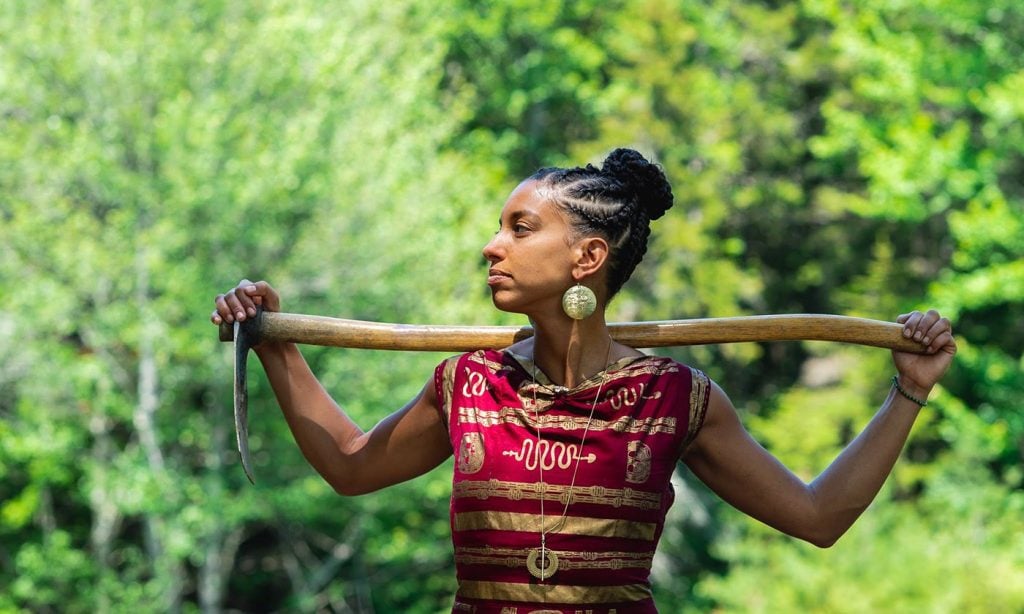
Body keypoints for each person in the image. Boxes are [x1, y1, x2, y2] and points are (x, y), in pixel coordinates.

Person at [211, 148, 956, 613]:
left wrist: (909, 391)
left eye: (520, 228)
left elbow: (818, 518)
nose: (490, 245)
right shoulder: (466, 384)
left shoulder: (676, 400)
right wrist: (275, 345)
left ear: (587, 259)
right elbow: (348, 465)